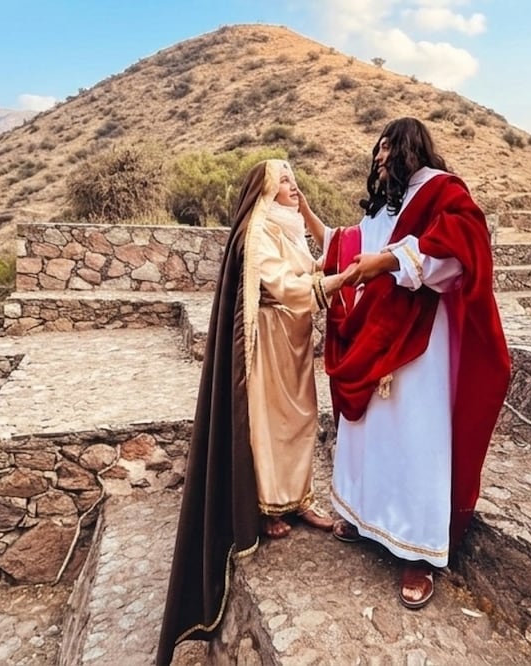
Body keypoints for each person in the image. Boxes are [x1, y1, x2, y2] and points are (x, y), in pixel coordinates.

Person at [156, 159, 356, 665]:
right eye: (284, 180)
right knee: (270, 423)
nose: (293, 186)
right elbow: (285, 286)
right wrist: (346, 278)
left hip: (294, 339)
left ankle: (298, 499)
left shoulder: (287, 226)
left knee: (303, 418)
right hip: (267, 339)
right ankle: (268, 507)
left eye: (294, 178)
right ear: (265, 190)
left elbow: (304, 270)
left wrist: (330, 268)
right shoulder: (257, 230)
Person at [306, 117, 512, 611]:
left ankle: (418, 552)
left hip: (420, 338)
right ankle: (365, 517)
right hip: (375, 331)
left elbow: (459, 252)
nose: (378, 159)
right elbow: (352, 245)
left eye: (386, 149)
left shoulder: (442, 192)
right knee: (372, 432)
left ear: (408, 148)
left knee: (415, 437)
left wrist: (390, 262)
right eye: (376, 151)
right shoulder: (387, 204)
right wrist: (308, 215)